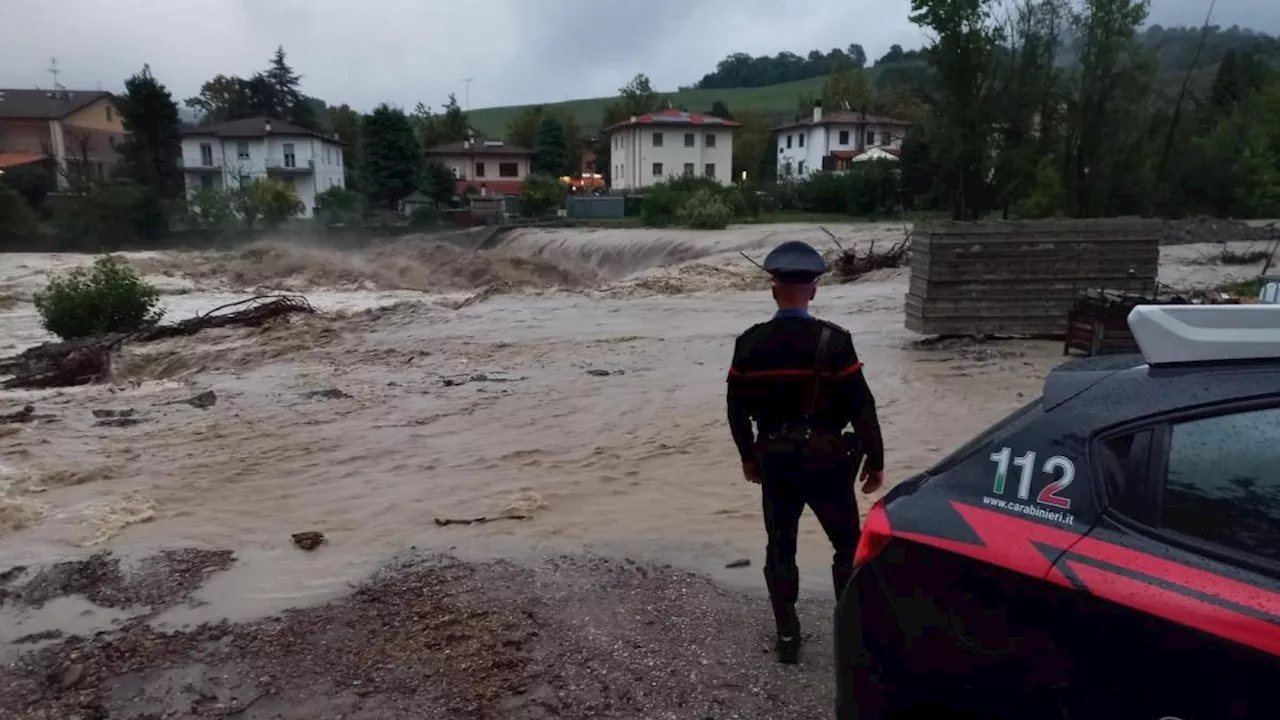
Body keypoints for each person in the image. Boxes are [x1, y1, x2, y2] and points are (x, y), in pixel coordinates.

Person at [726, 240, 886, 664]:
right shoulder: (834, 342)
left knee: (780, 544)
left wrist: (748, 456)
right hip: (828, 458)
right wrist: (876, 459)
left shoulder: (749, 343)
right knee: (847, 544)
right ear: (813, 290)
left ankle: (787, 636)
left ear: (773, 289)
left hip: (775, 458)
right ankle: (850, 634)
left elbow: (736, 411)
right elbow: (862, 406)